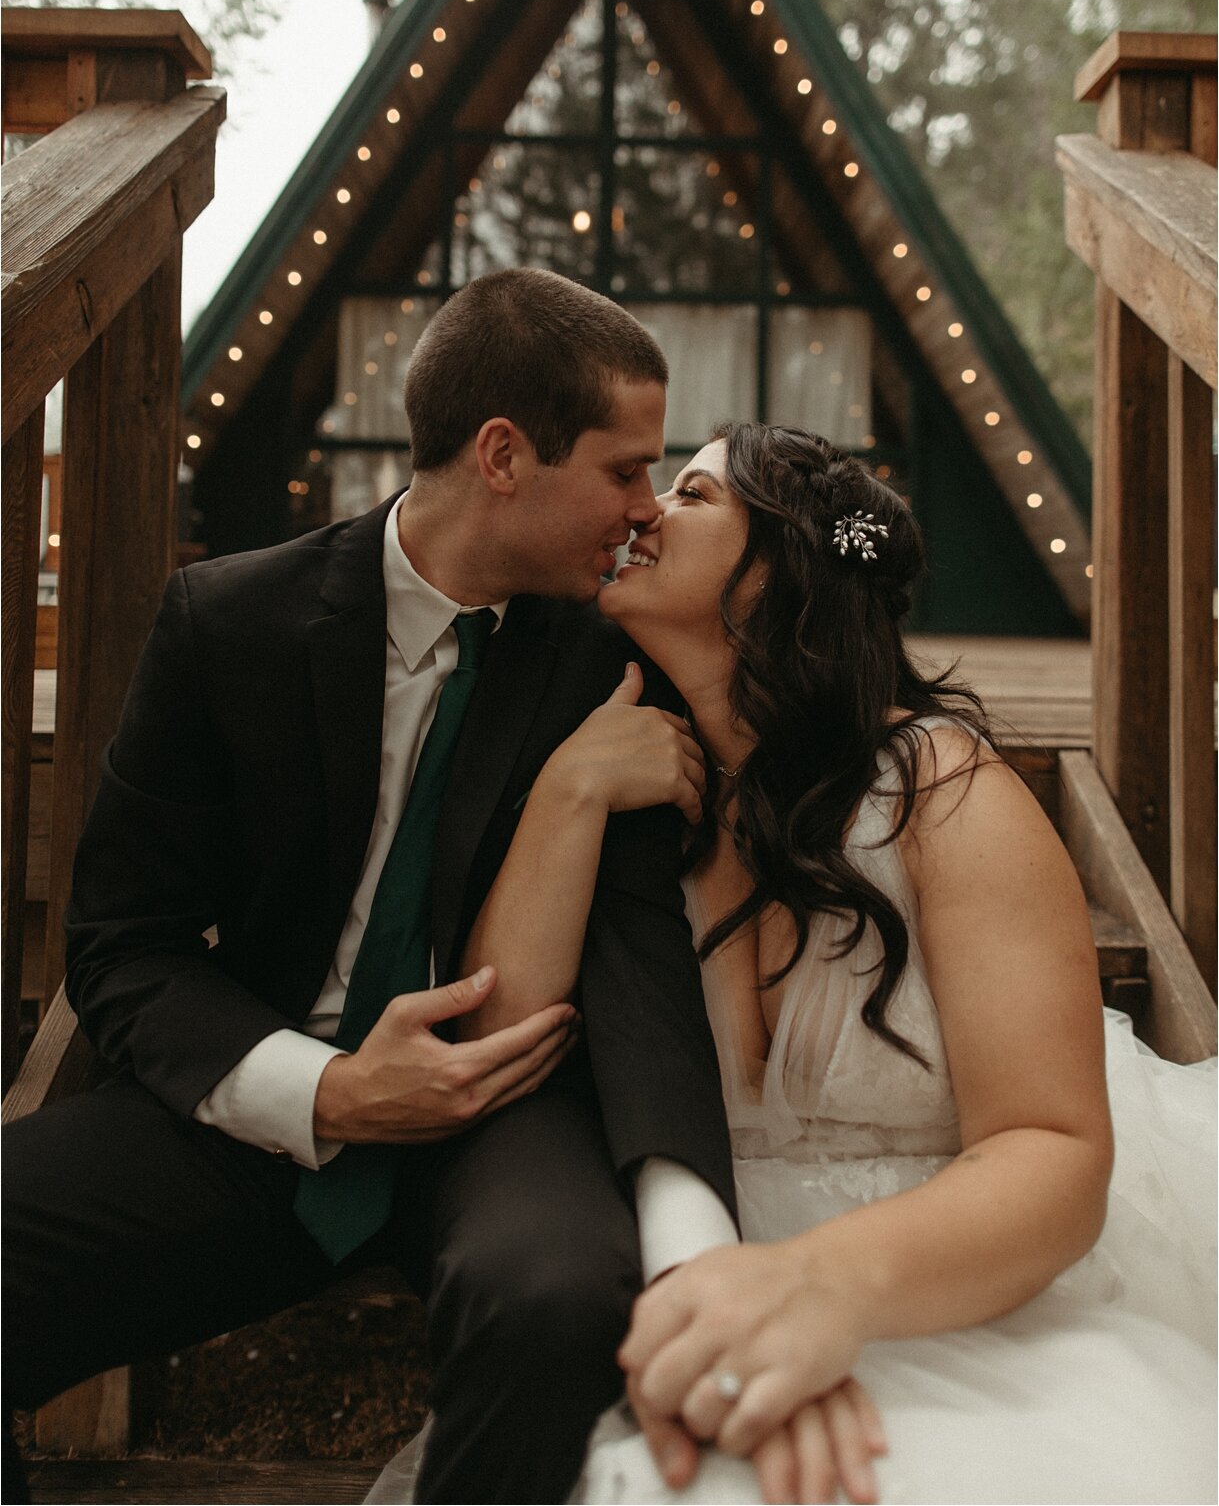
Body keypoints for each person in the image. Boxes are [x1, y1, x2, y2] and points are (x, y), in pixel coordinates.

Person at [375, 423, 1215, 1505]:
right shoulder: (640, 794)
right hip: (694, 1264)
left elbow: (1050, 1151)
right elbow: (497, 1040)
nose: (643, 514)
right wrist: (571, 789)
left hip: (949, 1282)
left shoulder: (939, 791)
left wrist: (818, 1286)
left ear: (779, 568)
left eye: (688, 493)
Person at [4, 272, 741, 1506]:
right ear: (502, 453)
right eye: (623, 470)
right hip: (271, 1085)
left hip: (510, 1111)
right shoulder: (229, 621)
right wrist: (333, 1088)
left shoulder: (617, 656)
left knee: (556, 1299)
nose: (643, 511)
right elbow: (123, 946)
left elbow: (641, 965)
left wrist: (689, 1230)